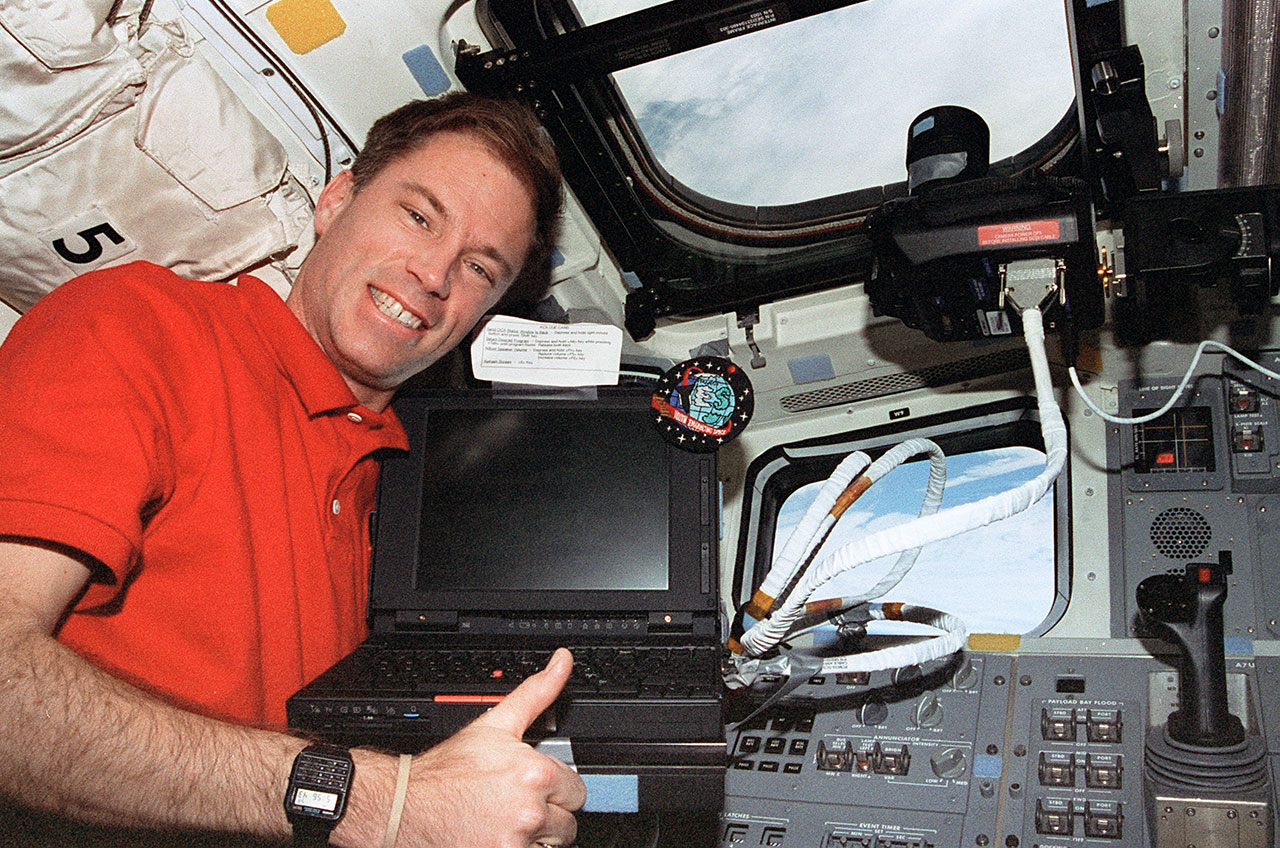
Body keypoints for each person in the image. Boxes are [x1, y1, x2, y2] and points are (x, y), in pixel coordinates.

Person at [0, 91, 586, 847]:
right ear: (336, 198)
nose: (435, 275)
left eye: (479, 267)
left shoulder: (393, 478)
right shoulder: (136, 325)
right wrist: (385, 802)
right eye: (418, 216)